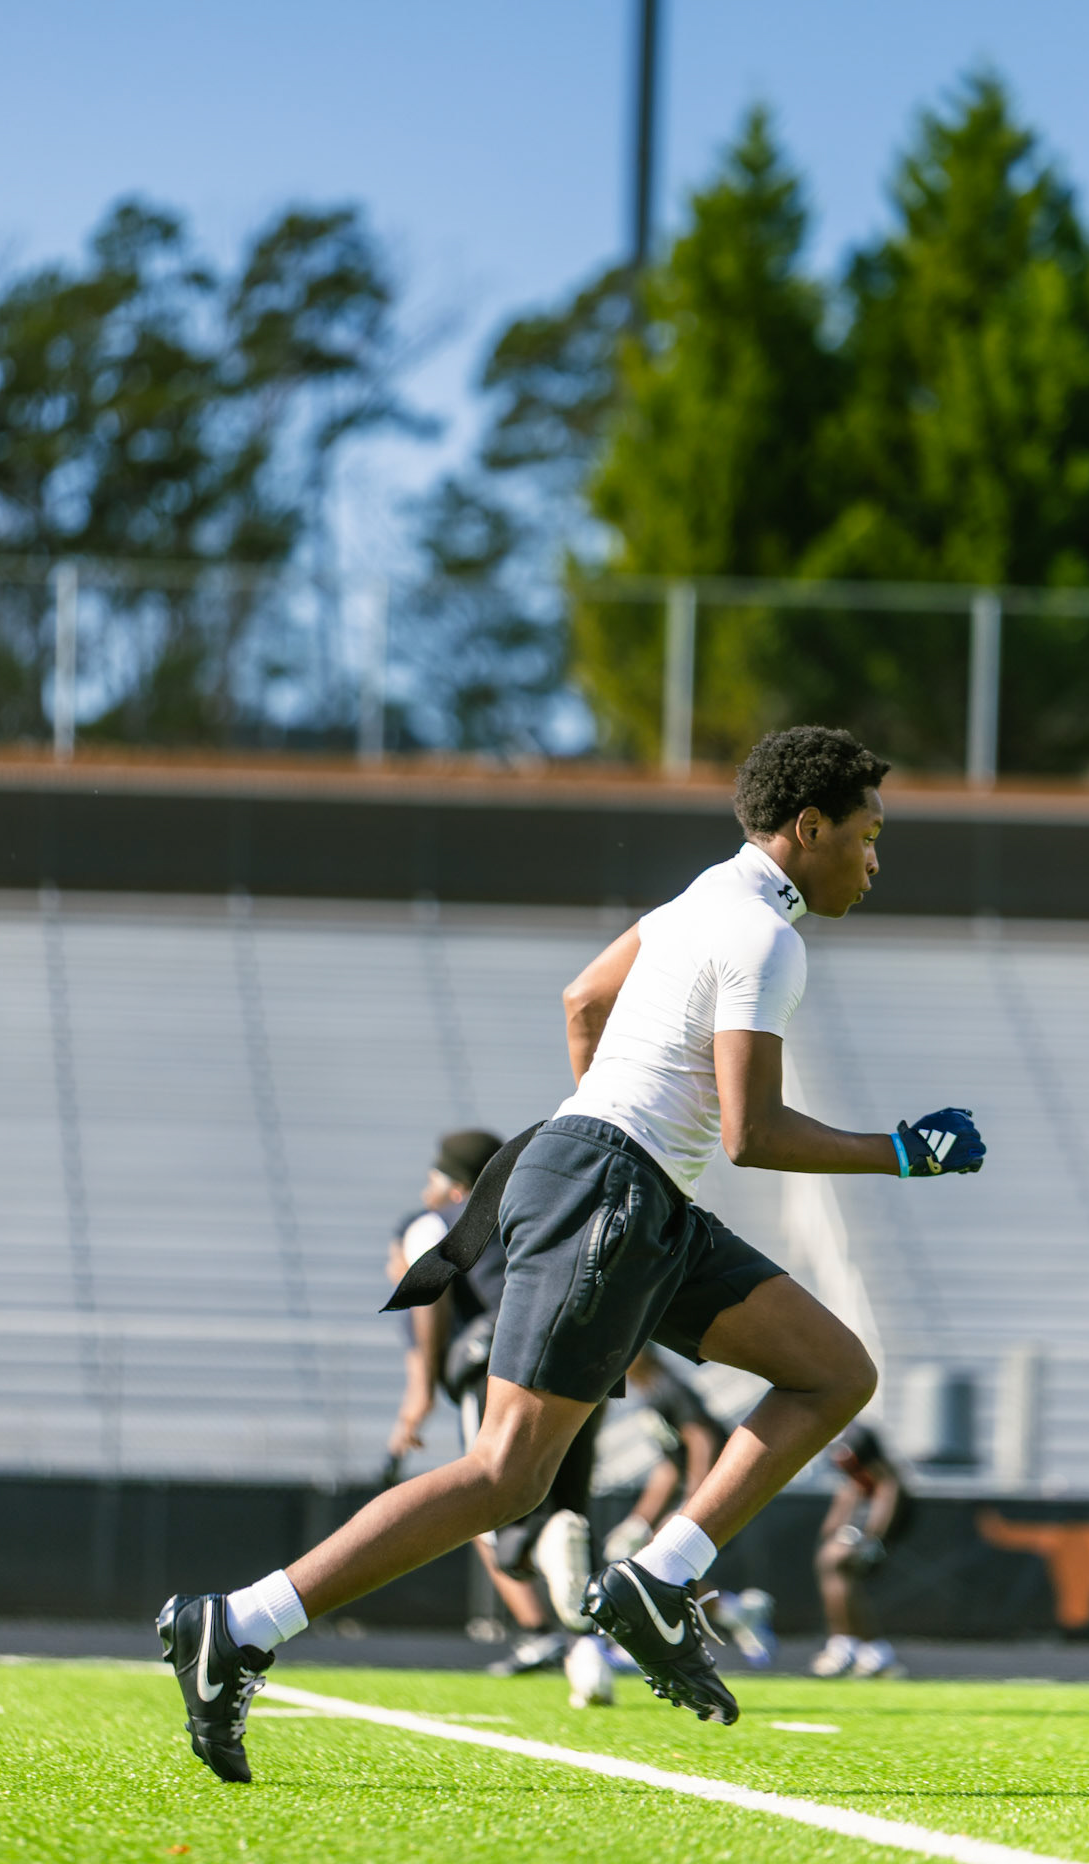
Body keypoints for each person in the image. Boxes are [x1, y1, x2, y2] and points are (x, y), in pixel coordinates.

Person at [158, 724, 986, 1781]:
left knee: (833, 1370)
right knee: (508, 1475)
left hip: (624, 1185)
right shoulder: (767, 938)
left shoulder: (702, 896)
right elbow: (751, 1133)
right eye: (867, 837)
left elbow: (583, 997)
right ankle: (240, 1623)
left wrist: (607, 1129)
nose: (874, 861)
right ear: (809, 826)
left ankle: (660, 1575)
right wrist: (906, 1151)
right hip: (613, 1186)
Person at [386, 1129, 611, 1703]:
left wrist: (420, 1392)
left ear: (456, 1183)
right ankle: (587, 1656)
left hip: (500, 1360)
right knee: (571, 1510)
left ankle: (543, 1573)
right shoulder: (545, 1206)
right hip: (587, 1353)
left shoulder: (432, 1222)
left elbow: (428, 1292)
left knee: (496, 1510)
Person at [603, 1344, 776, 1666]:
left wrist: (693, 1502)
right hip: (701, 1488)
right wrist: (638, 1520)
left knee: (656, 1562)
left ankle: (647, 1643)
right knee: (658, 1565)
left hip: (719, 1489)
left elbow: (702, 1439)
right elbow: (671, 1465)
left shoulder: (669, 1387)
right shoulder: (650, 1395)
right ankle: (734, 1611)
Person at [809, 1421, 914, 1680]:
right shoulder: (853, 1485)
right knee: (831, 1562)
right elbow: (831, 1525)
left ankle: (844, 1645)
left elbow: (884, 1514)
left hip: (874, 1546)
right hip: (852, 1544)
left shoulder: (885, 1479)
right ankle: (869, 1650)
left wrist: (870, 1540)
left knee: (835, 1560)